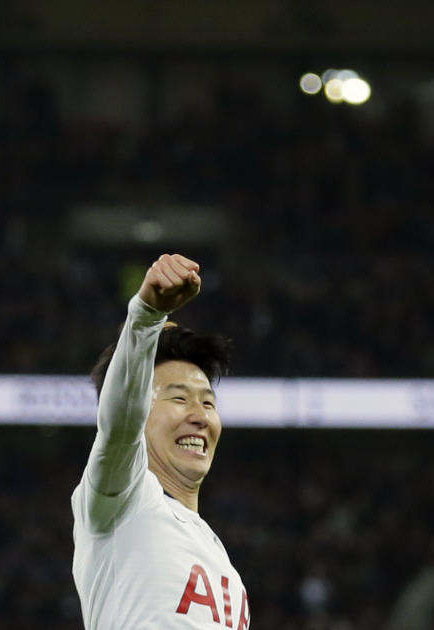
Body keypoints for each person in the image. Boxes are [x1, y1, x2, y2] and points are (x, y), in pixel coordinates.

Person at [71, 253, 249, 629]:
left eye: (208, 402)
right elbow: (120, 423)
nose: (200, 417)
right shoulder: (123, 499)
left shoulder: (221, 561)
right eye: (179, 398)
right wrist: (147, 315)